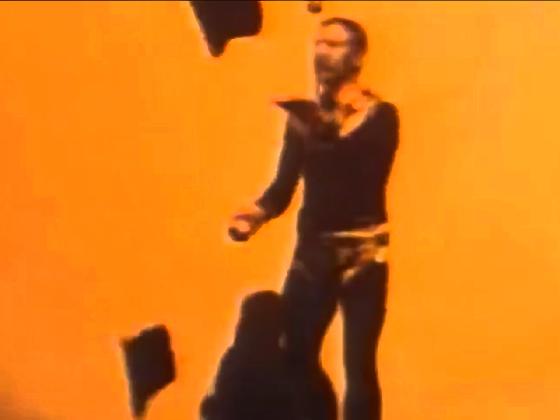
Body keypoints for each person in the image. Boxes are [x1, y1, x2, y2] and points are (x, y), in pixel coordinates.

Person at [228, 17, 399, 420]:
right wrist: (256, 214)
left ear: (357, 56)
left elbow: (365, 174)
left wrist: (328, 118)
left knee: (359, 365)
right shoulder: (303, 122)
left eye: (334, 45)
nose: (322, 52)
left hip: (364, 254)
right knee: (295, 356)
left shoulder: (381, 117)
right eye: (318, 44)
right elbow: (282, 187)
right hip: (313, 254)